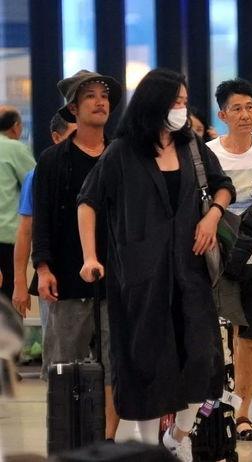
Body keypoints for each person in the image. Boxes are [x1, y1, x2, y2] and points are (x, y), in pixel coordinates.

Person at [77, 68, 235, 462]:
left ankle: (177, 436)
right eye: (176, 102)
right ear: (155, 103)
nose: (182, 109)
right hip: (141, 276)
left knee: (201, 360)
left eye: (184, 102)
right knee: (148, 362)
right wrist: (90, 256)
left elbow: (223, 186)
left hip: (190, 271)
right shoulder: (123, 151)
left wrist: (212, 215)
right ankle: (149, 450)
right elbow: (88, 202)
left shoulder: (191, 146)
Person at [31, 69, 122, 440]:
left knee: (115, 366)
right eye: (90, 96)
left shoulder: (120, 156)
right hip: (67, 279)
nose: (100, 102)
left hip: (116, 279)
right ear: (73, 108)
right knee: (62, 367)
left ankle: (107, 441)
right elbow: (42, 218)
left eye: (104, 96)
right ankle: (65, 441)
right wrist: (42, 267)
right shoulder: (53, 160)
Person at [206, 78, 252, 441]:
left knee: (250, 340)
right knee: (215, 340)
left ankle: (243, 415)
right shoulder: (208, 155)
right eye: (236, 108)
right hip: (216, 262)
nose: (245, 114)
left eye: (250, 107)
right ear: (222, 115)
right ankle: (210, 413)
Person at [13, 113, 76, 322]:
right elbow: (25, 230)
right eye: (74, 135)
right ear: (56, 137)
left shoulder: (101, 167)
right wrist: (20, 282)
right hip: (57, 277)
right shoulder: (38, 175)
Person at [0, 106, 36, 300]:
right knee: (9, 300)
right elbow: (36, 185)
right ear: (15, 127)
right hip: (7, 235)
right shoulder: (15, 148)